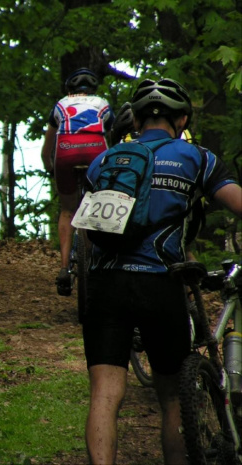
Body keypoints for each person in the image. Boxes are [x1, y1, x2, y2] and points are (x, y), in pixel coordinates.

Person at [82, 78, 242, 464]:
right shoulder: (197, 157)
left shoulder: (105, 160)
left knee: (105, 392)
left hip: (105, 283)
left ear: (135, 121)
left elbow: (88, 234)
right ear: (182, 118)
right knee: (173, 397)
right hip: (160, 283)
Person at [40, 68, 114, 296]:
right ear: (93, 89)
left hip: (66, 152)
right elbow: (109, 139)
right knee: (100, 207)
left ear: (69, 89)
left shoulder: (60, 105)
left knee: (67, 210)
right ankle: (100, 261)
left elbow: (47, 148)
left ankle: (64, 268)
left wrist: (50, 167)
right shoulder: (102, 104)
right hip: (96, 152)